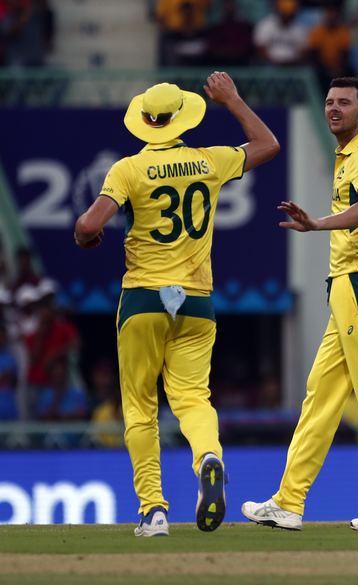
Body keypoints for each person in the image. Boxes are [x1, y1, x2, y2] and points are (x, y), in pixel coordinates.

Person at [74, 71, 280, 537]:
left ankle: (154, 511)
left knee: (140, 408)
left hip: (143, 298)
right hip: (196, 302)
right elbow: (267, 144)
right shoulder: (209, 161)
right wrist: (232, 100)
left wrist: (87, 238)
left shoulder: (127, 169)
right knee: (192, 398)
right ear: (182, 119)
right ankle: (208, 456)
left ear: (146, 121)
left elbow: (88, 224)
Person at [242, 76, 358, 531]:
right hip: (350, 289)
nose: (333, 108)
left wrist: (317, 224)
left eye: (344, 102)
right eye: (329, 101)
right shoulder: (349, 156)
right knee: (320, 397)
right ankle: (288, 502)